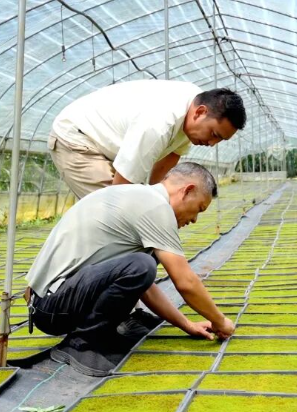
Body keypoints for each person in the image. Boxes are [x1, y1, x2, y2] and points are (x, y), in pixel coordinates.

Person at [24, 162, 235, 376]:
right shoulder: (155, 207)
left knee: (145, 262)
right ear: (187, 191)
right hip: (51, 307)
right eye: (199, 209)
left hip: (51, 302)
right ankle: (83, 343)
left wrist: (187, 325)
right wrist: (220, 321)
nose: (194, 220)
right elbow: (185, 282)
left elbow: (145, 286)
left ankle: (102, 333)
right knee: (143, 264)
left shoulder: (140, 197)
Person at [49, 79, 247, 199]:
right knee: (116, 213)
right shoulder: (158, 123)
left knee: (131, 214)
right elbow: (121, 189)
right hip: (78, 138)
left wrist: (159, 201)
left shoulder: (194, 107)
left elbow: (169, 159)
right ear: (200, 112)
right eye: (214, 134)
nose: (212, 144)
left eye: (220, 140)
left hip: (104, 146)